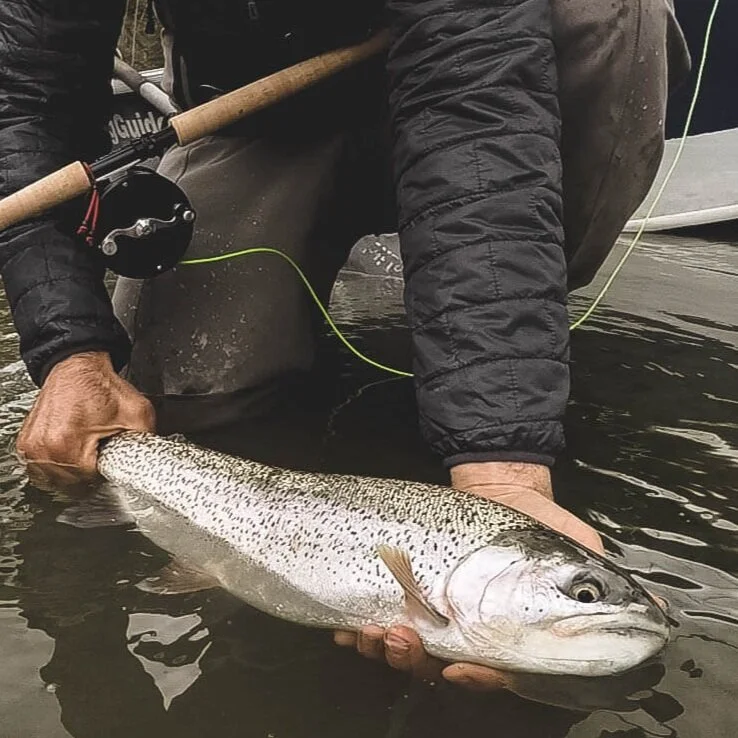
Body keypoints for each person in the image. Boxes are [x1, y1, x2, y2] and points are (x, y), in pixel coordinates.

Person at [0, 0, 687, 693]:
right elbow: (26, 98)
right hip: (253, 114)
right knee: (182, 387)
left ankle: (506, 333)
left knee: (611, 12)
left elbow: (480, 101)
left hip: (479, 78)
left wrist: (503, 463)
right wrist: (71, 351)